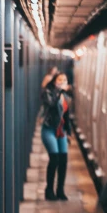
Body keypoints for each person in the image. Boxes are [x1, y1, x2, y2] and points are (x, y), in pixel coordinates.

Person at [41, 72, 72, 201]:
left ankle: (60, 190)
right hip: (49, 129)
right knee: (54, 159)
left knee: (63, 160)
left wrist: (68, 132)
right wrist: (59, 92)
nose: (62, 81)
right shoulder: (48, 92)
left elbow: (66, 114)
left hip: (61, 132)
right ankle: (49, 190)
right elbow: (52, 104)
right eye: (60, 79)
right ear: (54, 81)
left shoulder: (64, 95)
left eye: (64, 79)